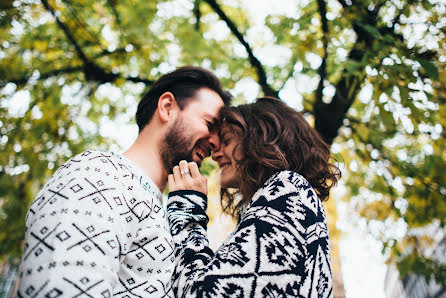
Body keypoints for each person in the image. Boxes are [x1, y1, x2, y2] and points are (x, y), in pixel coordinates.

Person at [17, 66, 232, 297]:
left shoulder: (165, 210)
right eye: (210, 125)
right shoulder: (97, 174)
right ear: (167, 107)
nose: (215, 144)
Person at [167, 97, 341, 297]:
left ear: (260, 139)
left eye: (227, 141)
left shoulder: (287, 189)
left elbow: (204, 294)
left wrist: (187, 210)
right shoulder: (289, 197)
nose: (215, 154)